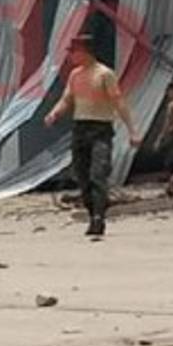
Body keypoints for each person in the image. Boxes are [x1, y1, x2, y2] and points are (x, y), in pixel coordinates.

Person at [44, 35, 141, 238]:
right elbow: (66, 99)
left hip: (100, 128)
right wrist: (55, 113)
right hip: (80, 127)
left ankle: (99, 217)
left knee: (98, 173)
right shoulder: (75, 75)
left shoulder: (105, 74)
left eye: (73, 51)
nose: (70, 56)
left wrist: (132, 130)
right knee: (82, 175)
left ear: (84, 52)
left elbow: (119, 102)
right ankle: (91, 212)